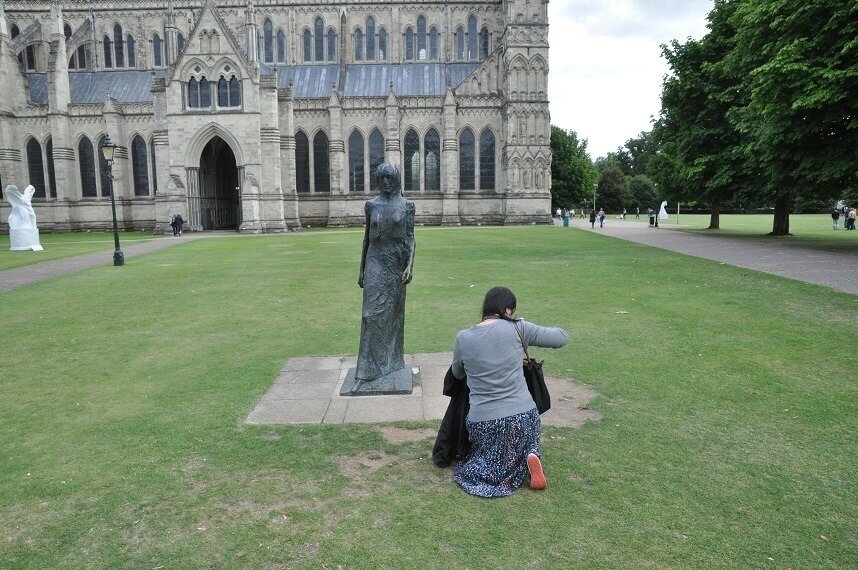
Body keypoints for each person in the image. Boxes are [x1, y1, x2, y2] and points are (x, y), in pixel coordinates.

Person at [450, 286, 568, 497]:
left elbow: (457, 374)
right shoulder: (518, 328)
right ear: (507, 310)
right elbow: (561, 337)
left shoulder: (464, 337)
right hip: (525, 416)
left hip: (484, 420)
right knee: (521, 435)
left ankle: (518, 459)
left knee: (483, 460)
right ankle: (530, 454)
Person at [355, 163, 416, 382]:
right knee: (370, 313)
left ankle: (391, 361)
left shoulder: (407, 206)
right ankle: (367, 367)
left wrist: (410, 265)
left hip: (396, 263)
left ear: (396, 179)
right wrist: (361, 269)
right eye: (381, 180)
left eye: (389, 179)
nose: (385, 183)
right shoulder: (371, 205)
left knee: (394, 315)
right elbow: (366, 239)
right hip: (375, 260)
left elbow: (410, 239)